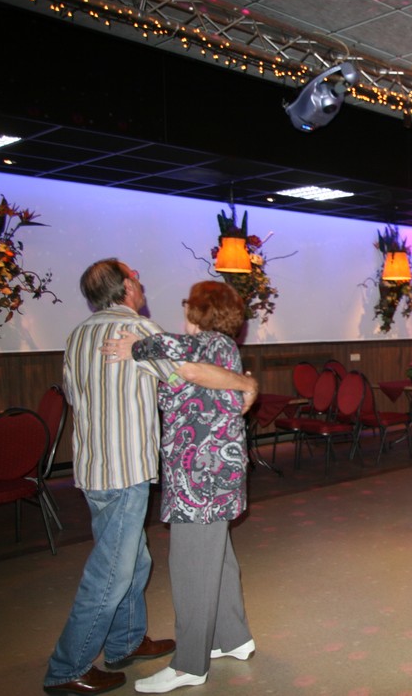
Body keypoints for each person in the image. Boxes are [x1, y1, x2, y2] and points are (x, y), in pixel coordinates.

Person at [44, 260, 257, 695]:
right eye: (136, 278)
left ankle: (151, 648)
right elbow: (192, 373)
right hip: (132, 465)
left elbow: (74, 394)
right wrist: (247, 385)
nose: (141, 283)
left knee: (151, 559)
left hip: (97, 467)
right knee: (118, 568)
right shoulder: (138, 331)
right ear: (126, 288)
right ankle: (73, 664)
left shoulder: (77, 335)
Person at [102, 281, 255, 694]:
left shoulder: (204, 346)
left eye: (188, 303)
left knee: (191, 568)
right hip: (212, 477)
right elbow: (188, 375)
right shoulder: (221, 349)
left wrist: (135, 346)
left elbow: (174, 356)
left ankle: (189, 664)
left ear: (199, 310)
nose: (183, 309)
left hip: (199, 481)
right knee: (217, 560)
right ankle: (234, 637)